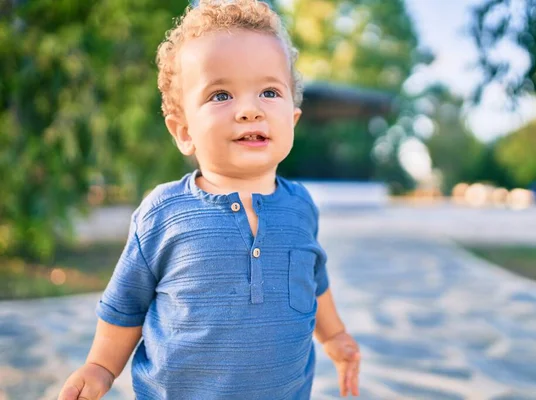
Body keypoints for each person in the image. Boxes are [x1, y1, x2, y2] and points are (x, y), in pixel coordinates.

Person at [58, 1, 360, 399]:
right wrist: (100, 367)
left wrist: (335, 335)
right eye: (221, 95)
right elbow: (125, 305)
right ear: (183, 131)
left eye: (269, 91)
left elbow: (313, 281)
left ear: (293, 118)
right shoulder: (164, 214)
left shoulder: (301, 207)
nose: (250, 110)